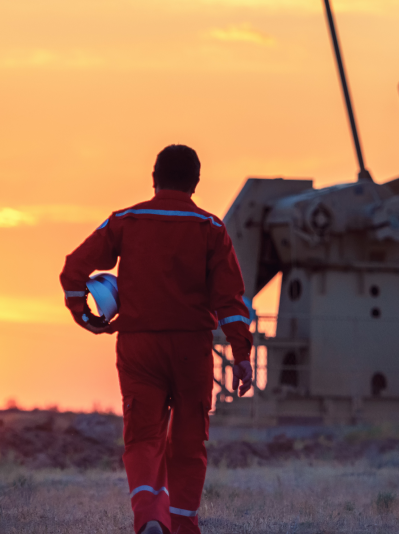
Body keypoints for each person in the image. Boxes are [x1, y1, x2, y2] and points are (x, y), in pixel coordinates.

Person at [59, 145, 253, 534]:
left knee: (143, 437)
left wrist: (85, 316)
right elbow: (230, 301)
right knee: (189, 442)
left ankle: (149, 515)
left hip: (139, 346)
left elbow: (73, 269)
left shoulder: (126, 220)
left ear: (154, 177)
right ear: (196, 182)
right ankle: (182, 525)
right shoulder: (211, 228)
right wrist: (241, 354)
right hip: (191, 349)